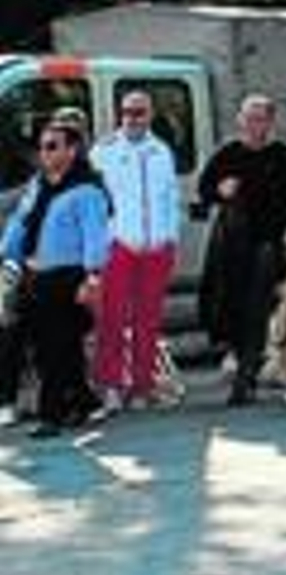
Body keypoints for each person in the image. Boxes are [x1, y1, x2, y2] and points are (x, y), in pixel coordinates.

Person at [197, 96, 286, 406]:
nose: (253, 124)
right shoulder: (228, 154)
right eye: (248, 118)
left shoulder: (285, 156)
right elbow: (203, 190)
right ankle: (243, 359)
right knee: (228, 307)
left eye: (259, 118)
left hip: (267, 244)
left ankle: (245, 378)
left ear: (270, 122)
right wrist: (218, 192)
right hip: (230, 244)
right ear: (239, 121)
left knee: (255, 310)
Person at [1, 120, 112, 438]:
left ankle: (53, 416)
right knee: (38, 341)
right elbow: (21, 222)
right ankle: (86, 403)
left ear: (72, 150)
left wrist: (92, 278)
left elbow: (96, 238)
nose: (43, 153)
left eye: (52, 146)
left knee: (55, 347)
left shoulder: (88, 190)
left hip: (68, 276)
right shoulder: (40, 185)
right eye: (42, 147)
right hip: (33, 274)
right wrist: (6, 255)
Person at [88, 90, 181, 416]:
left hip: (156, 248)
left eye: (139, 112)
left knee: (148, 322)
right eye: (127, 111)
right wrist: (102, 244)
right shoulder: (104, 151)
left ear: (150, 114)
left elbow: (171, 199)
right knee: (110, 320)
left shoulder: (161, 151)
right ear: (119, 114)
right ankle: (110, 386)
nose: (133, 117)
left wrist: (170, 239)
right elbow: (94, 203)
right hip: (119, 247)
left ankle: (142, 386)